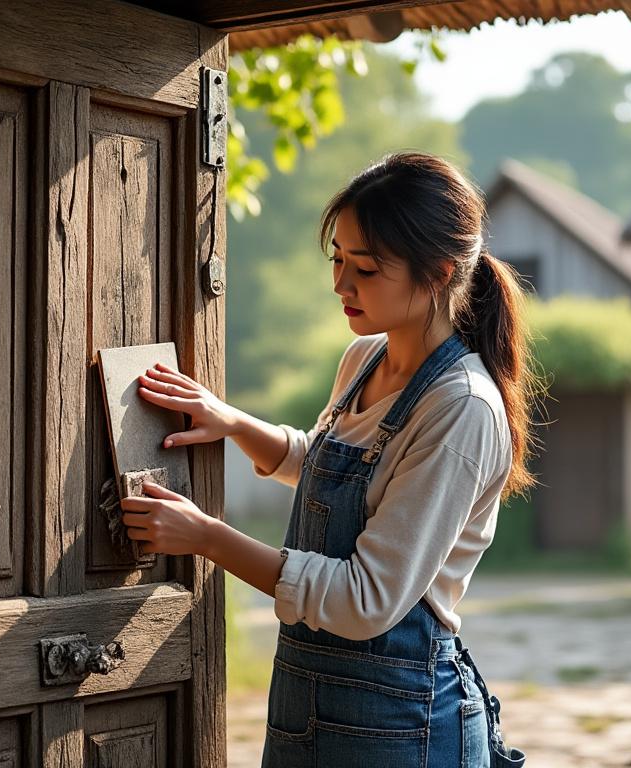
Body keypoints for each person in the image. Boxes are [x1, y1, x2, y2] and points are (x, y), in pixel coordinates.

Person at [119, 150, 539, 767]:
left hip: (401, 725)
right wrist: (232, 421)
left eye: (364, 269)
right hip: (305, 702)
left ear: (438, 274)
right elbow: (327, 464)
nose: (341, 285)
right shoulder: (363, 360)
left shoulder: (463, 409)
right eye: (337, 260)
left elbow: (364, 599)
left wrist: (206, 537)